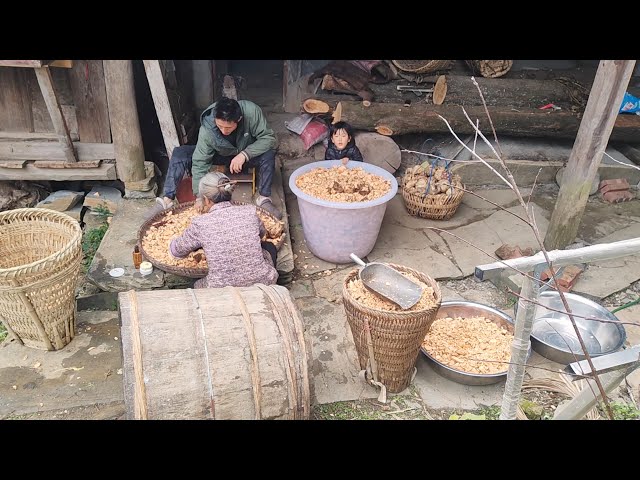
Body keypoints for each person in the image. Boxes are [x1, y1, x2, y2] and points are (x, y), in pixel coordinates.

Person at [153, 97, 281, 219]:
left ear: (239, 119)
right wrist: (199, 197)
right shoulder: (207, 129)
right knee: (180, 154)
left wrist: (245, 154)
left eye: (228, 127)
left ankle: (264, 199)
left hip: (246, 154)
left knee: (269, 152)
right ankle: (166, 200)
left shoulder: (251, 112)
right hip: (220, 155)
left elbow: (269, 138)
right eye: (220, 126)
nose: (224, 131)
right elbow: (200, 161)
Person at [169, 172, 278, 289]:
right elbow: (261, 234)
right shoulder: (249, 211)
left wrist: (174, 241)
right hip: (263, 282)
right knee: (269, 247)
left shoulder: (200, 223)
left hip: (221, 289)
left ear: (206, 200)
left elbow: (176, 252)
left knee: (195, 286)